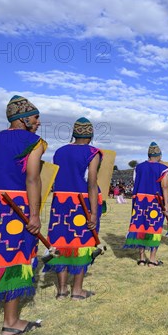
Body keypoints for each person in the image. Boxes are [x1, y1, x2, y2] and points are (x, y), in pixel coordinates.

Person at [0, 95, 46, 335]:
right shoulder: (33, 142)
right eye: (36, 118)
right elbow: (33, 178)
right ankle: (11, 322)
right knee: (17, 258)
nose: (38, 123)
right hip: (17, 209)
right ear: (24, 120)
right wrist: (34, 215)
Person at [44, 117, 103, 299]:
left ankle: (62, 290)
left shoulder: (60, 152)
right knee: (82, 243)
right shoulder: (93, 152)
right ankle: (77, 290)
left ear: (74, 133)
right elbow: (92, 184)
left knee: (61, 241)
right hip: (81, 203)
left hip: (60, 203)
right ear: (91, 135)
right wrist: (93, 213)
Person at [123, 142, 168, 267]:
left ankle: (142, 258)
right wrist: (167, 206)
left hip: (140, 202)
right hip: (155, 202)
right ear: (159, 155)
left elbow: (135, 182)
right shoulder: (163, 168)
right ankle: (152, 259)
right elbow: (164, 187)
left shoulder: (138, 168)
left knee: (141, 227)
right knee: (154, 228)